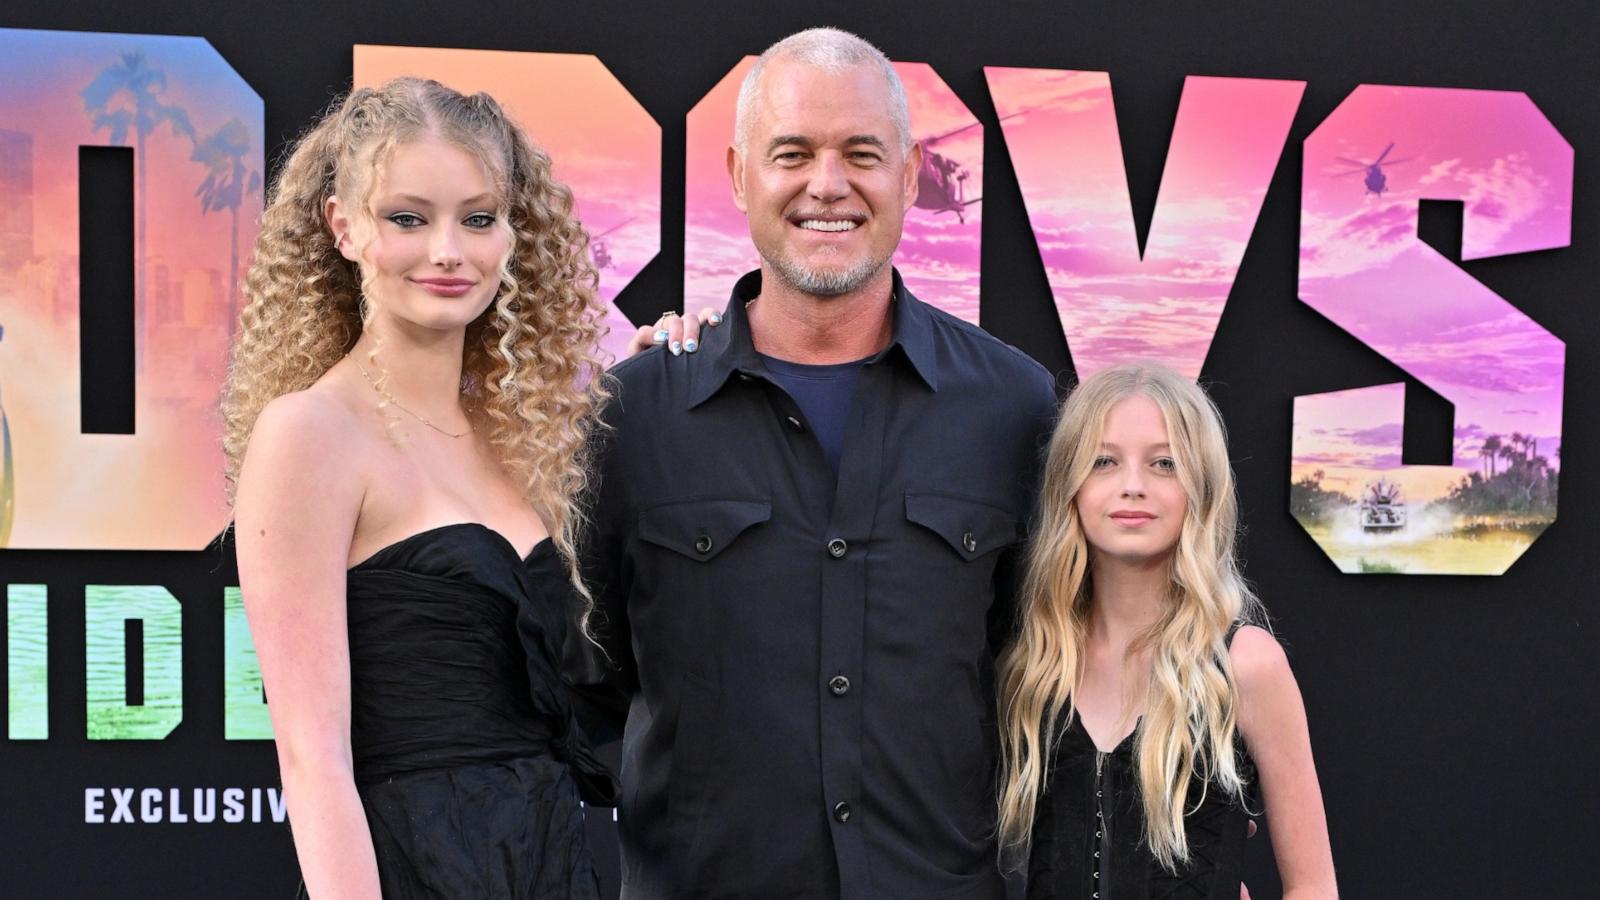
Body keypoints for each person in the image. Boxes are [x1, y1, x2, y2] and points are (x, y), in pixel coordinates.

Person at [576, 27, 1059, 900]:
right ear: (737, 175)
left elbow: (1055, 668)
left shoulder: (1014, 408)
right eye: (791, 153)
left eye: (860, 154)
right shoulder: (635, 416)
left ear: (910, 176)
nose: (826, 185)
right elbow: (589, 680)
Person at [224, 78, 615, 898]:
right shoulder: (309, 435)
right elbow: (311, 757)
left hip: (552, 859)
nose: (449, 251)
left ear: (513, 232)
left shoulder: (523, 442)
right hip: (413, 869)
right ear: (345, 227)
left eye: (479, 218)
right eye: (409, 218)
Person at [996, 364, 1338, 899]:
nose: (1133, 486)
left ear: (1200, 488)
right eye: (1104, 461)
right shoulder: (1034, 664)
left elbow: (1314, 887)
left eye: (1164, 463)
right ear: (1071, 485)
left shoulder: (1243, 664)